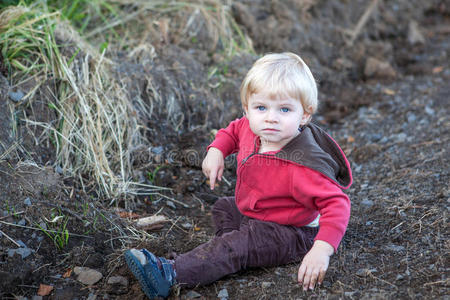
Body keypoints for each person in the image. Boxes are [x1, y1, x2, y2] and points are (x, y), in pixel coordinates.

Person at [125, 52, 352, 299]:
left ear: (305, 115)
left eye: (285, 109)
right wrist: (216, 151)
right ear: (247, 108)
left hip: (292, 232)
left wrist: (321, 249)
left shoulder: (302, 164)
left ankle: (169, 274)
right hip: (258, 214)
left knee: (239, 243)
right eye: (261, 107)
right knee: (224, 207)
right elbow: (232, 131)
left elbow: (337, 204)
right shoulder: (251, 127)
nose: (271, 118)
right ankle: (230, 253)